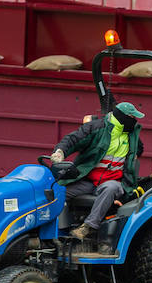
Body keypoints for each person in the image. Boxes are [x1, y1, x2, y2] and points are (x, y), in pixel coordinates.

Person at [50, 101, 145, 244]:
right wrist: (60, 151)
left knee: (110, 188)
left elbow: (139, 149)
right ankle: (53, 229)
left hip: (114, 183)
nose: (135, 121)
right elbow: (73, 139)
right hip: (88, 182)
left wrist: (134, 156)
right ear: (123, 117)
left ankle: (88, 227)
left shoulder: (132, 135)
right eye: (133, 117)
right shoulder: (96, 128)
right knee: (58, 191)